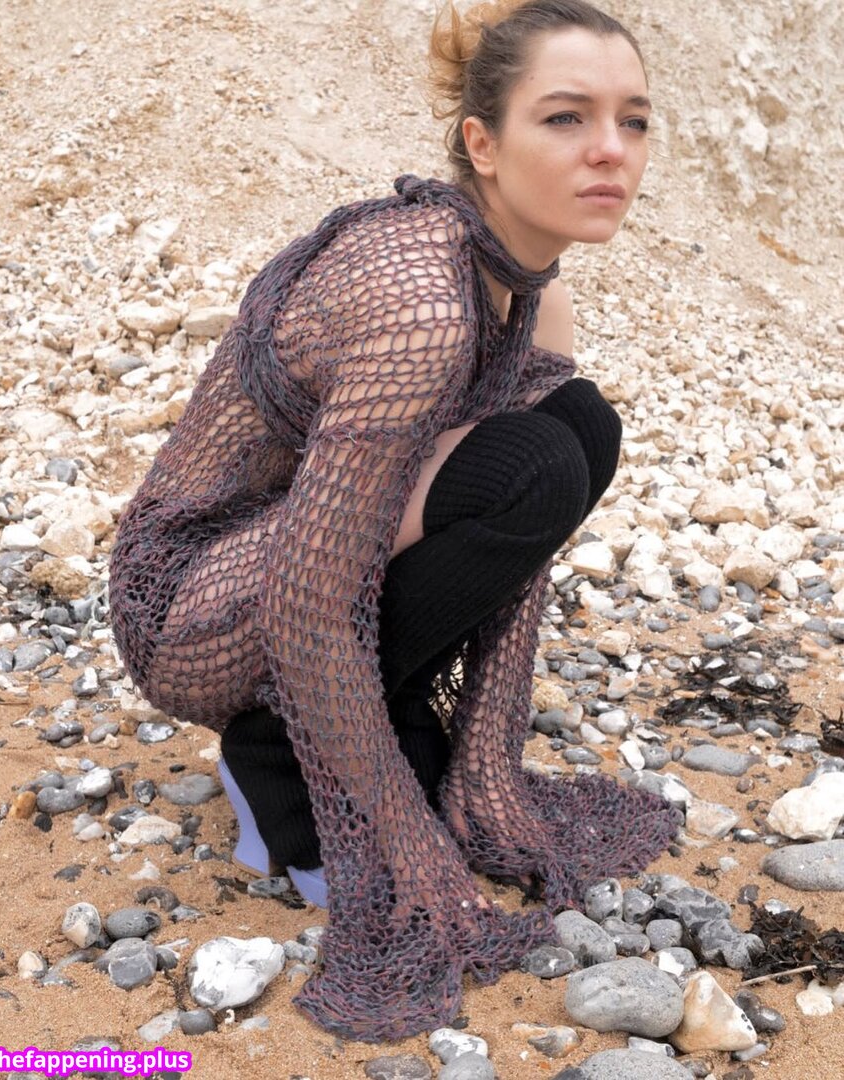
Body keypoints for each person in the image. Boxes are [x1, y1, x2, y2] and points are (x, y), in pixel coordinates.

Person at [109, 0, 680, 1042]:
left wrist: (482, 764)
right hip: (194, 607)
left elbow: (506, 555)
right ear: (481, 144)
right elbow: (309, 599)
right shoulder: (418, 295)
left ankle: (386, 721)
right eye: (564, 118)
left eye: (632, 120)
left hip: (303, 558)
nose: (610, 150)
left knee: (576, 429)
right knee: (533, 460)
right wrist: (402, 839)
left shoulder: (531, 287)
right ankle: (275, 763)